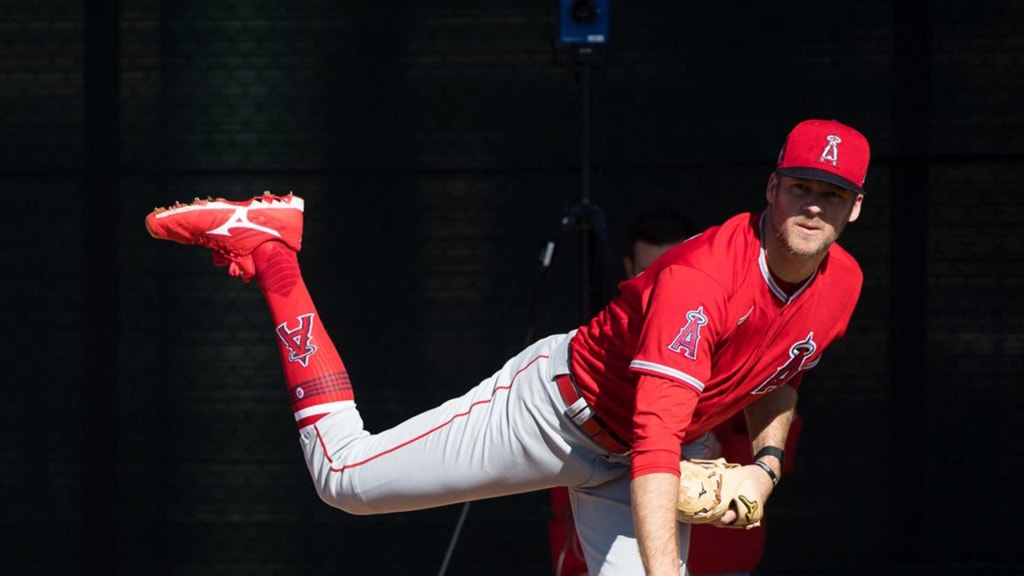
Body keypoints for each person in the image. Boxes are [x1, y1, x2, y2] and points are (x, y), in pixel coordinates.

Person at [145, 118, 869, 576]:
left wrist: (766, 467)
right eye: (801, 187)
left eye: (832, 194)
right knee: (344, 479)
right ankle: (272, 251)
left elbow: (784, 368)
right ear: (771, 188)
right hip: (556, 416)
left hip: (643, 458)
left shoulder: (842, 283)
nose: (813, 206)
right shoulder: (701, 278)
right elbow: (655, 441)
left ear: (855, 207)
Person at [550, 207, 805, 576]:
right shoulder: (609, 347)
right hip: (621, 551)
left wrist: (720, 453)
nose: (668, 283)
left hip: (719, 555)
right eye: (651, 271)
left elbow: (781, 441)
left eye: (677, 268)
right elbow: (573, 468)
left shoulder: (738, 339)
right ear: (629, 269)